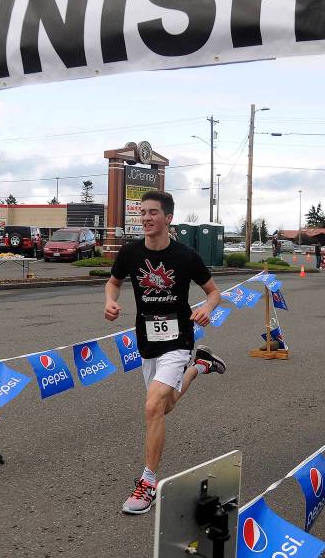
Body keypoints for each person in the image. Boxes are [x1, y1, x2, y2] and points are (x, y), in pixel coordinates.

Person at [104, 191, 223, 515]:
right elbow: (113, 283)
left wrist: (207, 309)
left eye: (152, 212)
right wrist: (110, 301)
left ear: (168, 218)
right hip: (146, 340)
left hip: (178, 339)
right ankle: (200, 366)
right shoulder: (130, 253)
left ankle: (148, 482)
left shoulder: (185, 257)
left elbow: (213, 293)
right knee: (164, 407)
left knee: (153, 405)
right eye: (142, 212)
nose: (145, 218)